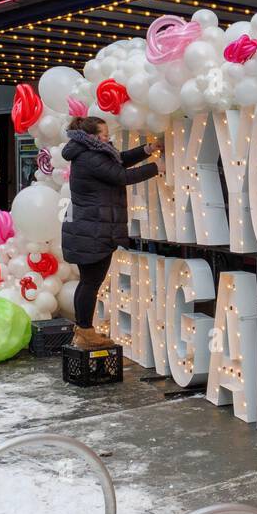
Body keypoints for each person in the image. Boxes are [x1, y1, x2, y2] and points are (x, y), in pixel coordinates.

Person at [61, 116, 159, 350]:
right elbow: (120, 175)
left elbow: (119, 161)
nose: (108, 137)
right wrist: (157, 167)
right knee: (90, 283)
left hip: (91, 229)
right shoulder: (90, 157)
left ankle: (83, 330)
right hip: (92, 229)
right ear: (92, 136)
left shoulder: (90, 152)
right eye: (104, 134)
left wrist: (147, 150)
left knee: (88, 282)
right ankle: (84, 331)